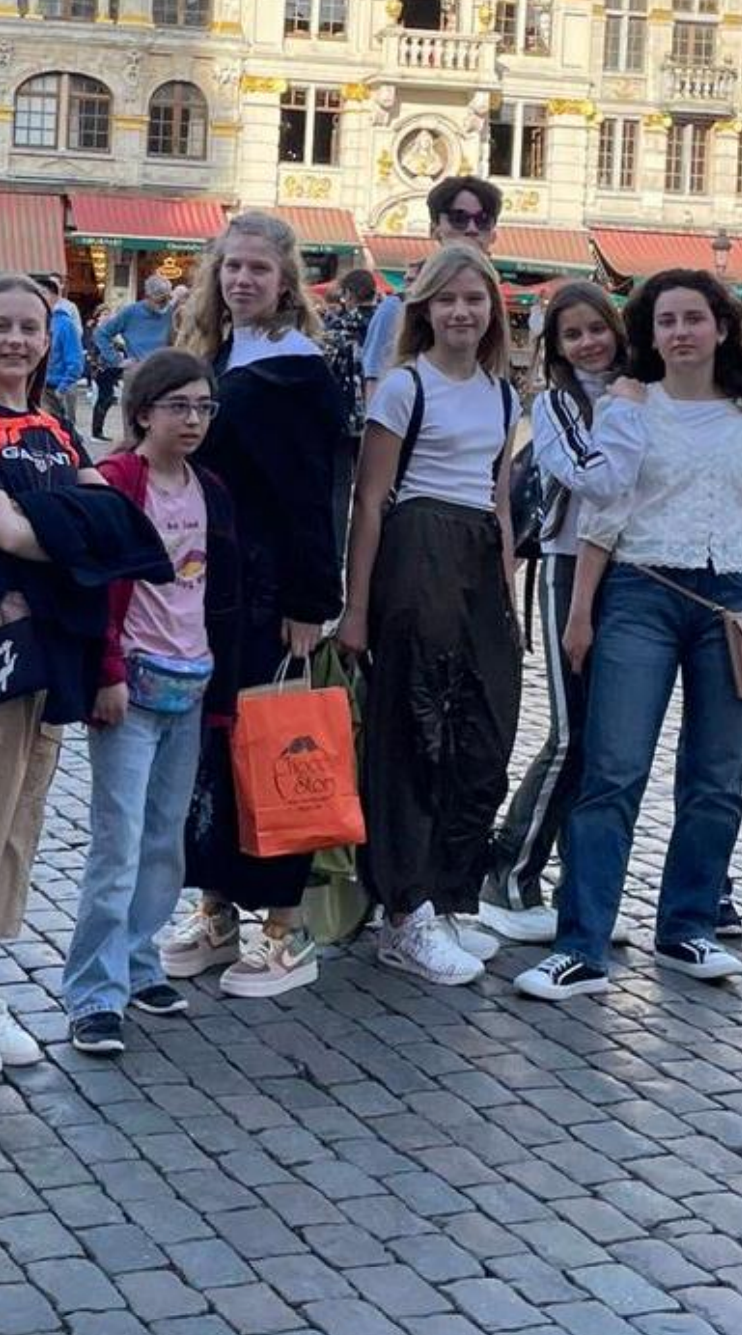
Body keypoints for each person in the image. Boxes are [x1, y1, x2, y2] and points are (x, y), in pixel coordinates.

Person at [0, 273, 169, 1078]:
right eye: (3, 328)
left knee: (21, 811)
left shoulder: (56, 429)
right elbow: (7, 533)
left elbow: (114, 519)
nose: (18, 341)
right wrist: (77, 531)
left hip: (55, 629)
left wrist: (62, 525)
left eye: (32, 327)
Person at [517, 269, 742, 1000]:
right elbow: (604, 514)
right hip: (643, 591)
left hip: (731, 605)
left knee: (716, 777)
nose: (680, 332)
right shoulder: (632, 406)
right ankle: (581, 944)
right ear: (649, 335)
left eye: (693, 318)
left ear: (721, 327)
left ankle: (688, 925)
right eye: (666, 321)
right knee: (613, 770)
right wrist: (581, 611)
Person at [162, 212, 342, 998]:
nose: (242, 281)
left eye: (258, 271)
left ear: (285, 282)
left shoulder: (300, 369)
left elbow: (315, 496)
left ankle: (286, 928)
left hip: (270, 592)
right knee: (208, 754)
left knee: (269, 752)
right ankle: (217, 909)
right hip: (207, 587)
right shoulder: (217, 353)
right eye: (232, 267)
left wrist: (311, 599)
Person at [339, 243, 520, 986]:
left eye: (473, 300)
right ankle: (403, 908)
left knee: (484, 732)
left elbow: (500, 497)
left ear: (492, 311)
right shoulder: (405, 388)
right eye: (446, 300)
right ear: (424, 310)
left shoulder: (504, 393)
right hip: (417, 550)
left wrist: (504, 592)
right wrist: (356, 608)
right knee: (412, 732)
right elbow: (370, 499)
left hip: (477, 557)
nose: (460, 312)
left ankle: (446, 893)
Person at [63, 349, 238, 1055]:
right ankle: (93, 992)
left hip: (191, 683)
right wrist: (104, 671)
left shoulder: (211, 490)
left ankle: (138, 962)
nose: (193, 420)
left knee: (164, 838)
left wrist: (220, 692)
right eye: (179, 407)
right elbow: (97, 587)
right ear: (142, 413)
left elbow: (219, 596)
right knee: (117, 840)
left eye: (203, 407)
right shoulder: (118, 481)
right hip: (130, 686)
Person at [480, 283, 640, 942]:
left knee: (609, 745)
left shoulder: (642, 394)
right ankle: (510, 876)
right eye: (571, 335)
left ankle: (583, 893)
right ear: (556, 348)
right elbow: (596, 479)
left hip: (635, 572)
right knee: (571, 733)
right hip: (568, 565)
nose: (587, 343)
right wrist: (628, 426)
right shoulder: (555, 406)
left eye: (595, 329)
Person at [363, 176, 503, 401]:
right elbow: (377, 392)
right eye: (459, 219)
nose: (471, 229)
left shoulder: (492, 307)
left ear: (493, 232)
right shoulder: (398, 307)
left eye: (483, 220)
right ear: (434, 229)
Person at [323, 269, 377, 558]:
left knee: (340, 488)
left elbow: (325, 371)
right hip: (381, 418)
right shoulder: (387, 323)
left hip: (343, 418)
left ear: (350, 295)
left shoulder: (338, 327)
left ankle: (338, 553)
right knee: (374, 490)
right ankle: (369, 551)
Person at [36, 273, 84, 430]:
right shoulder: (36, 322)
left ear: (56, 296)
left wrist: (61, 389)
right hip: (34, 387)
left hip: (51, 389)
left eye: (43, 293)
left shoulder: (65, 324)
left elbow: (75, 362)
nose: (39, 298)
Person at [101, 274, 175, 370]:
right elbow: (101, 334)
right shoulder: (130, 312)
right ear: (148, 297)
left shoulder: (172, 312)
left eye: (167, 300)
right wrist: (117, 360)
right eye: (160, 301)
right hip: (138, 374)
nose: (165, 305)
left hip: (167, 374)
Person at [87, 316, 123, 442]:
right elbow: (93, 355)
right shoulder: (98, 336)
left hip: (110, 372)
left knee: (106, 399)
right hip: (104, 372)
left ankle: (97, 432)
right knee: (104, 400)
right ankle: (96, 432)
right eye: (105, 316)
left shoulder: (109, 337)